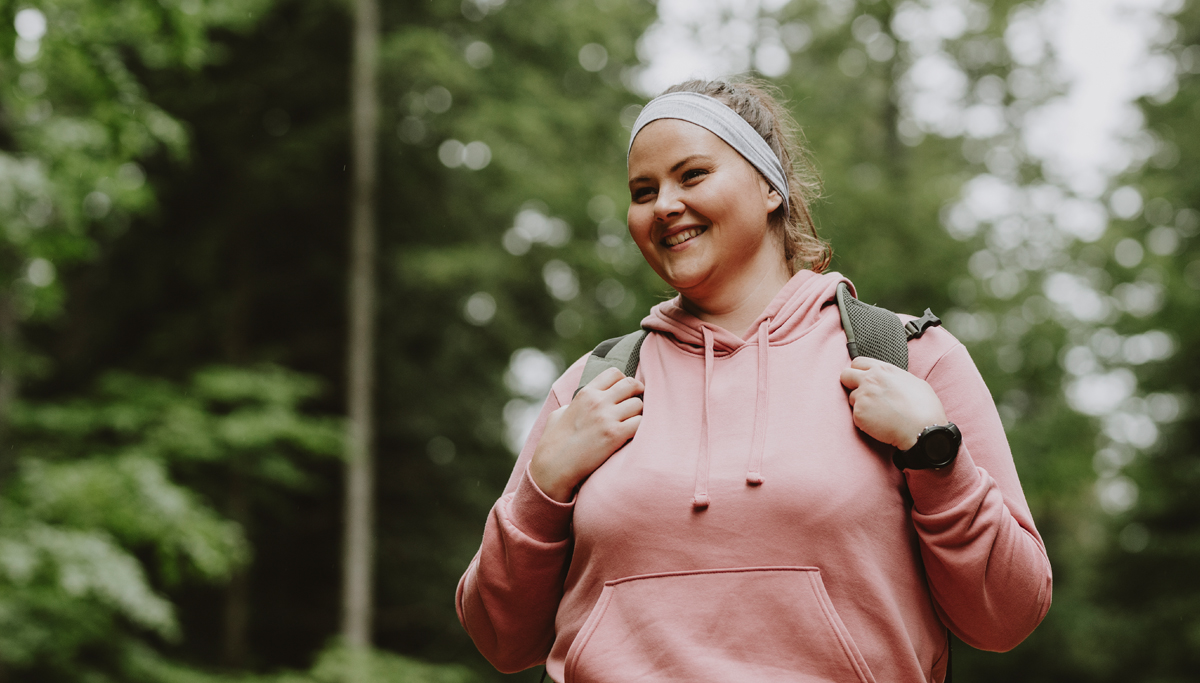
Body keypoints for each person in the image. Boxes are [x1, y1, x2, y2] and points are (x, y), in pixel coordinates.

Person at [456, 79, 1051, 683]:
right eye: (643, 190)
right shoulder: (595, 387)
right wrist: (542, 489)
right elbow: (500, 638)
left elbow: (1008, 616)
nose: (663, 205)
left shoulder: (907, 357)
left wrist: (935, 455)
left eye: (691, 176)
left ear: (771, 188)